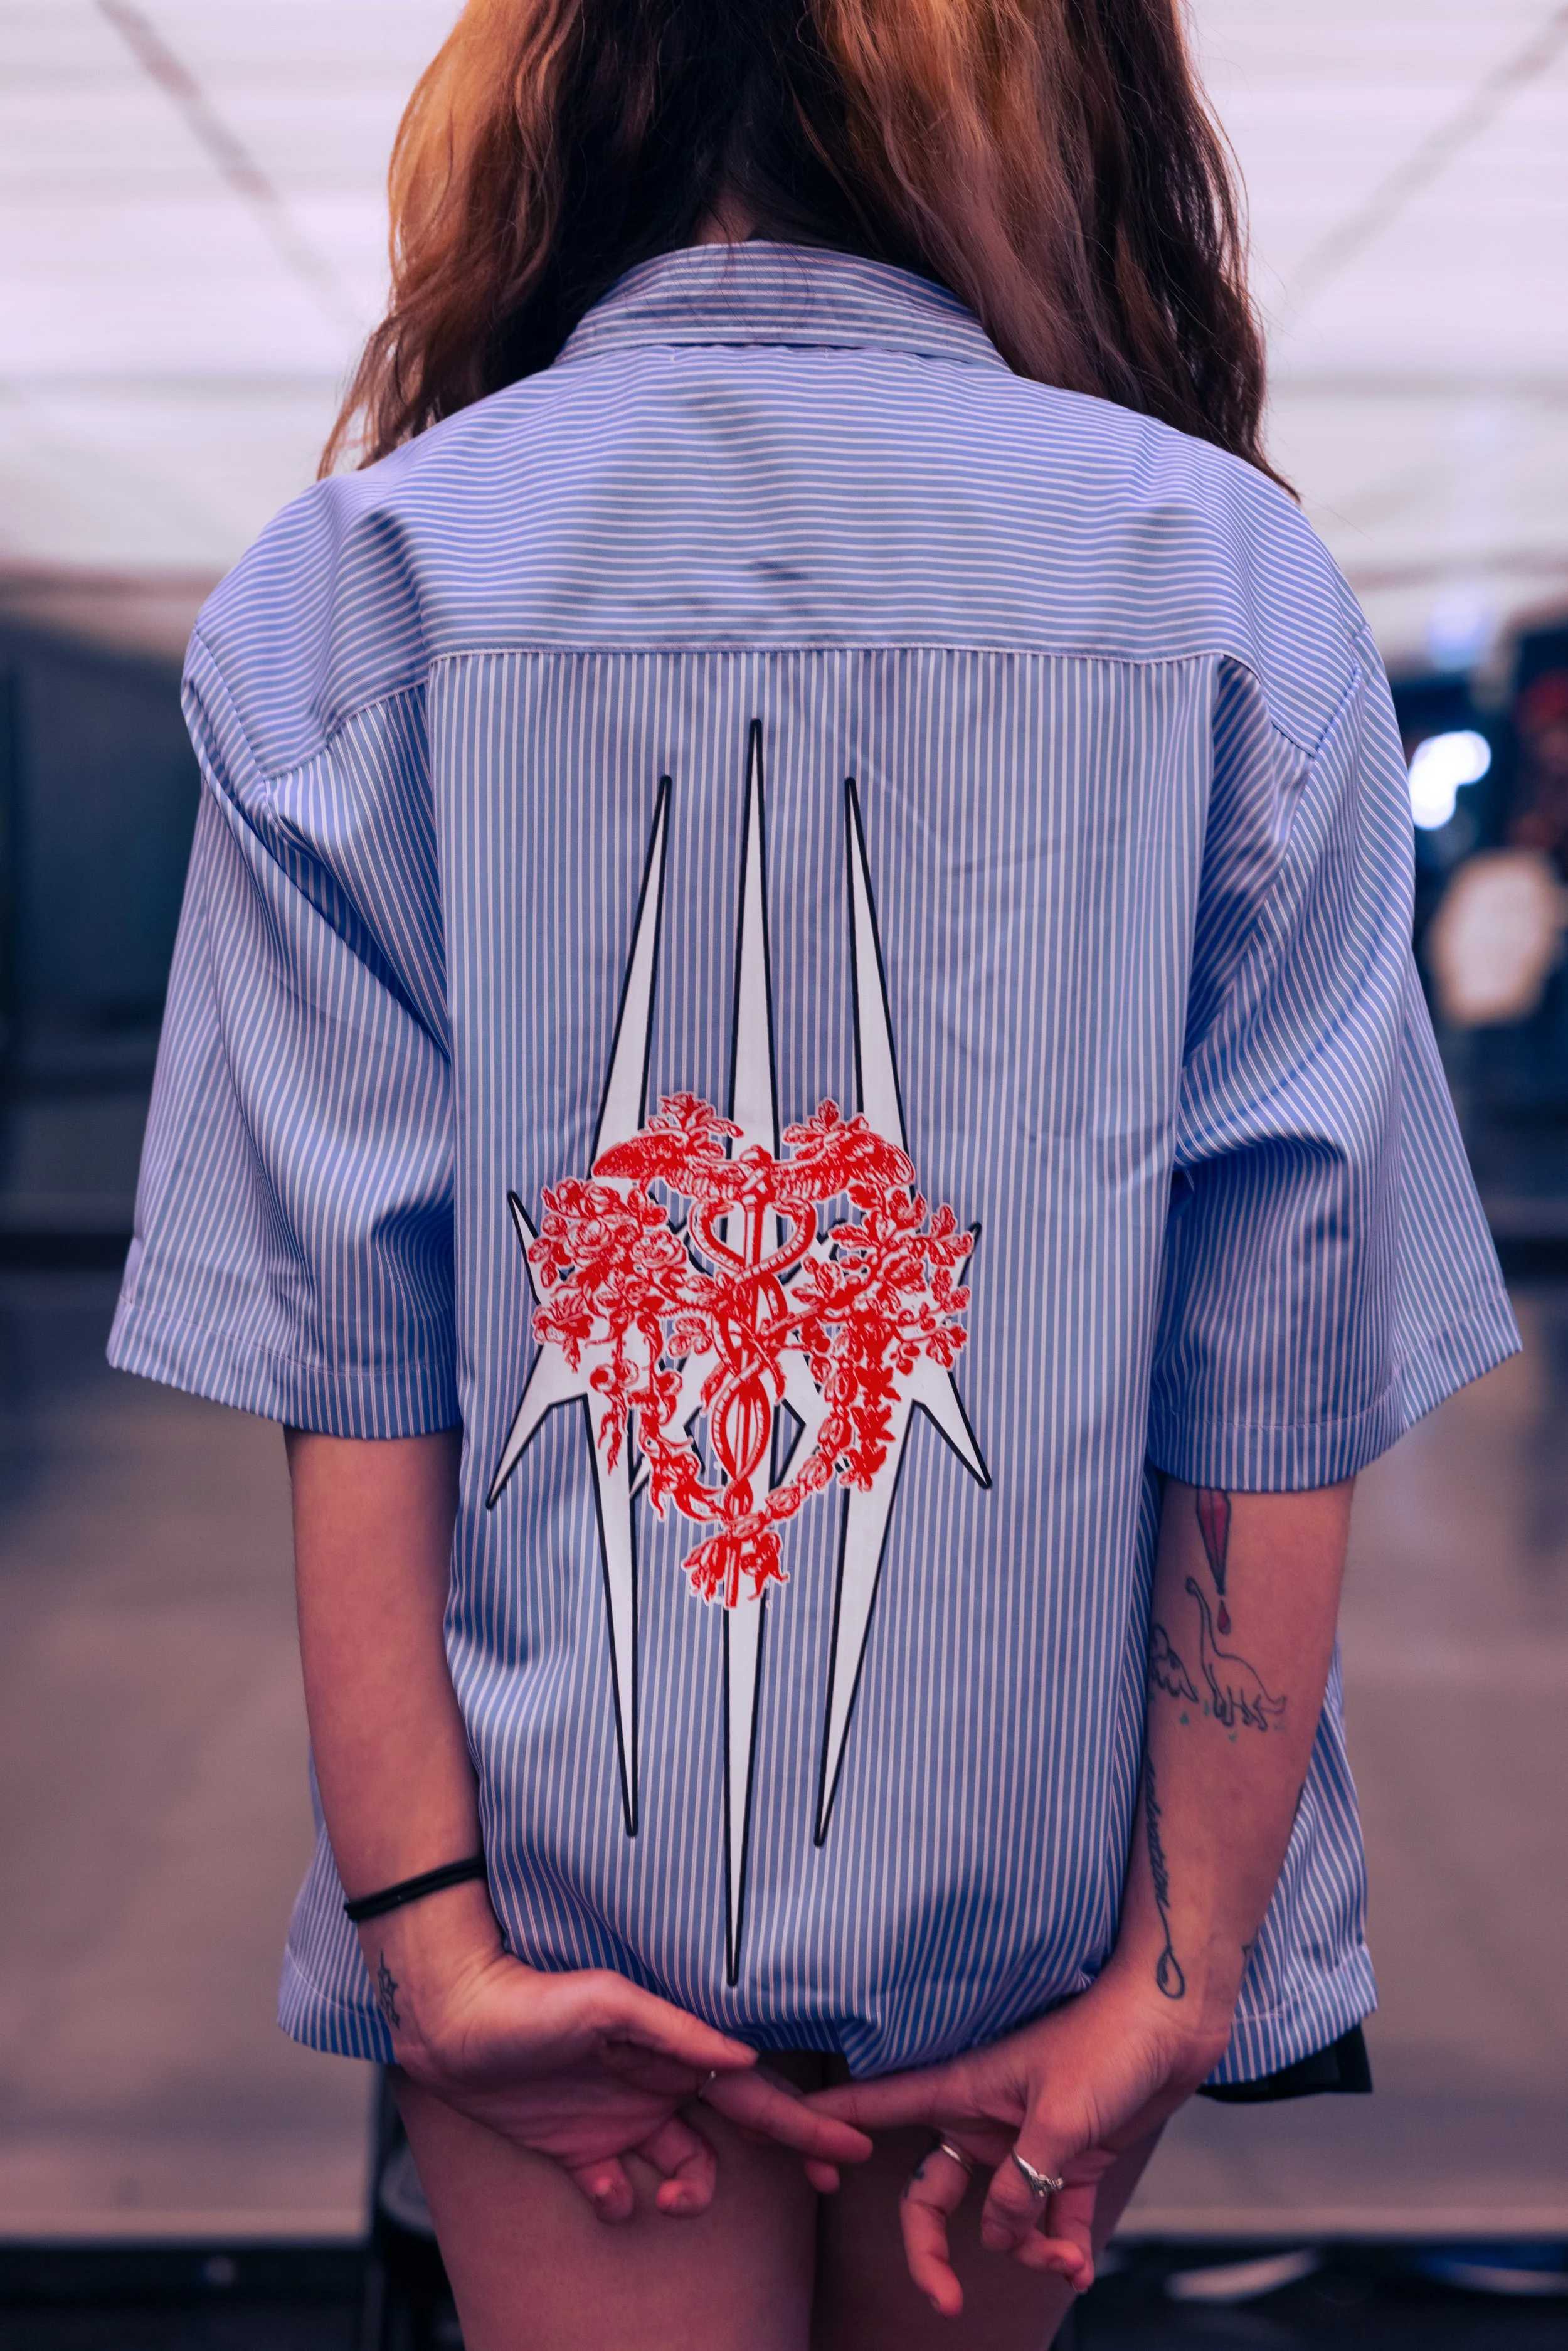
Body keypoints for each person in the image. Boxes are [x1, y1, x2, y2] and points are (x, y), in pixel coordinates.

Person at [109, 2, 1518, 2343]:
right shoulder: (1228, 592)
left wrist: (438, 1949)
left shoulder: (356, 592)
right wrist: (1176, 1979)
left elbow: (350, 1345)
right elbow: (1277, 1350)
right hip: (1058, 1912)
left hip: (552, 1886)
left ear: (557, 96)